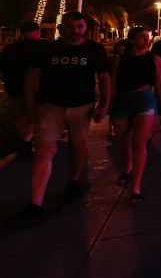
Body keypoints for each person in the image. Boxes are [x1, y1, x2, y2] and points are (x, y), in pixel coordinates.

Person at [12, 12, 110, 226]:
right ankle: (35, 204)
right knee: (44, 150)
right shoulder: (48, 49)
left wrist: (105, 102)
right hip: (50, 106)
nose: (75, 30)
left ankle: (73, 181)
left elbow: (104, 77)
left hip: (82, 107)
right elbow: (32, 76)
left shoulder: (95, 50)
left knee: (78, 145)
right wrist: (31, 105)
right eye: (70, 26)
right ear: (61, 28)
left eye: (79, 26)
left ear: (86, 28)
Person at [110, 27, 161, 205]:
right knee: (121, 142)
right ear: (132, 39)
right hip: (122, 100)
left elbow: (159, 84)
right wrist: (108, 105)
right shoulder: (119, 60)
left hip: (145, 100)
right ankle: (128, 166)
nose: (146, 40)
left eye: (147, 37)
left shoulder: (155, 59)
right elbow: (113, 84)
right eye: (142, 37)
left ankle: (136, 186)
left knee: (138, 142)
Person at [0, 22, 47, 158]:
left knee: (20, 116)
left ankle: (24, 141)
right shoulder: (46, 47)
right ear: (38, 32)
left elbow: (1, 70)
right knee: (35, 116)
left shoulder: (10, 49)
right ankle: (26, 141)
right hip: (39, 89)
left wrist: (7, 81)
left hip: (14, 87)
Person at [107, 40, 132, 137]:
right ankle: (111, 127)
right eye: (120, 47)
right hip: (115, 85)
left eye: (124, 47)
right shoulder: (113, 57)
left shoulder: (129, 58)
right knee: (113, 108)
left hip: (125, 86)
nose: (122, 49)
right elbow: (111, 73)